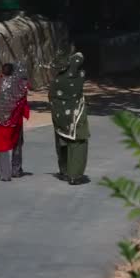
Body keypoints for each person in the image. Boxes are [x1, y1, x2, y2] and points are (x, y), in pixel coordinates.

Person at [48, 52, 90, 185]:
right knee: (78, 143)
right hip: (76, 116)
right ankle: (75, 175)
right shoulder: (79, 76)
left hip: (59, 116)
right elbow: (79, 57)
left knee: (62, 142)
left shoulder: (56, 80)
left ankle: (64, 171)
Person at [0, 63, 31, 181]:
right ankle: (16, 170)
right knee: (17, 143)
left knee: (1, 146)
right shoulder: (18, 85)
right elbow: (26, 87)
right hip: (15, 120)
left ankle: (4, 173)